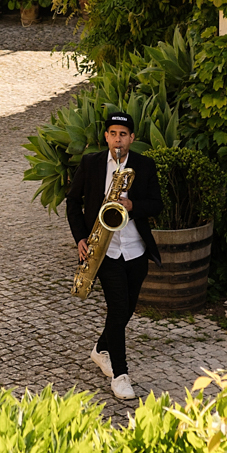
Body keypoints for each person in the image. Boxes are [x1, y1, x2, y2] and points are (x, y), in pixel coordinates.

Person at [65, 109, 163, 402]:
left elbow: (156, 205)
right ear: (106, 136)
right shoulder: (91, 163)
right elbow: (72, 201)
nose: (117, 140)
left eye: (123, 135)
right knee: (118, 308)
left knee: (125, 310)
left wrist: (132, 206)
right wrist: (80, 238)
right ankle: (120, 375)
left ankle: (100, 349)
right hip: (104, 249)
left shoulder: (144, 166)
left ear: (132, 138)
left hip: (135, 249)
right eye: (112, 134)